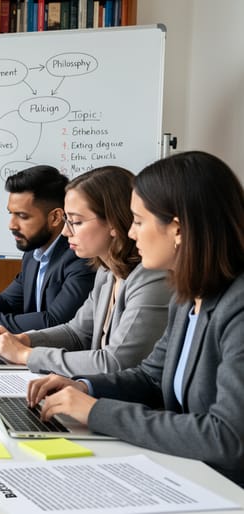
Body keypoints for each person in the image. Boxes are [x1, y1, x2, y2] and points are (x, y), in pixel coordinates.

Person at [28, 151, 244, 486]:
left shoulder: (238, 306)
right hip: (190, 473)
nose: (130, 234)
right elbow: (151, 378)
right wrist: (84, 387)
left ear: (178, 228)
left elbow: (227, 437)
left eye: (139, 222)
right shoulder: (188, 295)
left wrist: (94, 411)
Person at [0, 166, 171, 375]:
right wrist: (25, 339)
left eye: (76, 221)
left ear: (114, 221)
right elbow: (77, 332)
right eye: (67, 221)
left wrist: (26, 355)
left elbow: (114, 363)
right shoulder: (106, 271)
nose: (66, 231)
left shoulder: (151, 278)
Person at [0, 165, 96, 333]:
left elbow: (54, 321)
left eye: (22, 216)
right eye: (11, 214)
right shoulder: (32, 253)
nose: (11, 225)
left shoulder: (80, 256)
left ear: (55, 217)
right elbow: (9, 301)